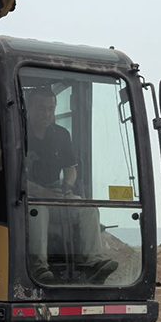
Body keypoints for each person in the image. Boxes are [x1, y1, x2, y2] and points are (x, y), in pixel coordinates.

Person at [23, 85, 115, 283]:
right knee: (37, 210)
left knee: (88, 208)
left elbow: (71, 168)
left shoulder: (61, 135)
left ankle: (94, 262)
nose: (46, 113)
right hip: (25, 199)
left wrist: (68, 186)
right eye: (41, 108)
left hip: (57, 194)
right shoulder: (17, 132)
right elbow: (11, 176)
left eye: (50, 108)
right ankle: (39, 268)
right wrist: (42, 193)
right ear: (29, 108)